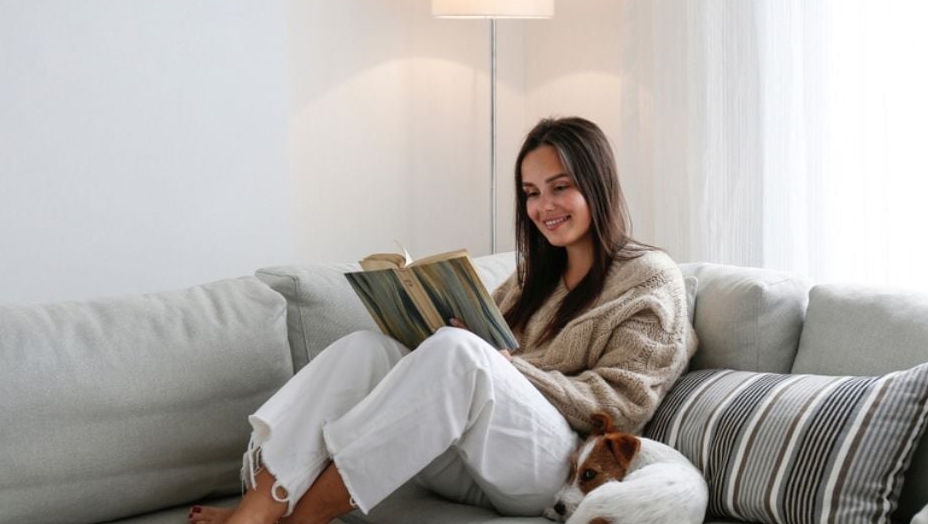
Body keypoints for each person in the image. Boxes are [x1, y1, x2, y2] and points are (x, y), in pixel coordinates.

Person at [189, 116, 697, 524]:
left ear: (597, 185)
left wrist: (501, 365)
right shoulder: (530, 277)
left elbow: (622, 409)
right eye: (530, 192)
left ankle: (306, 520)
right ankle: (256, 512)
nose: (543, 207)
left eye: (559, 187)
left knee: (461, 353)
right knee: (367, 349)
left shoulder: (649, 279)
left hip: (557, 465)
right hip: (473, 456)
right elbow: (470, 361)